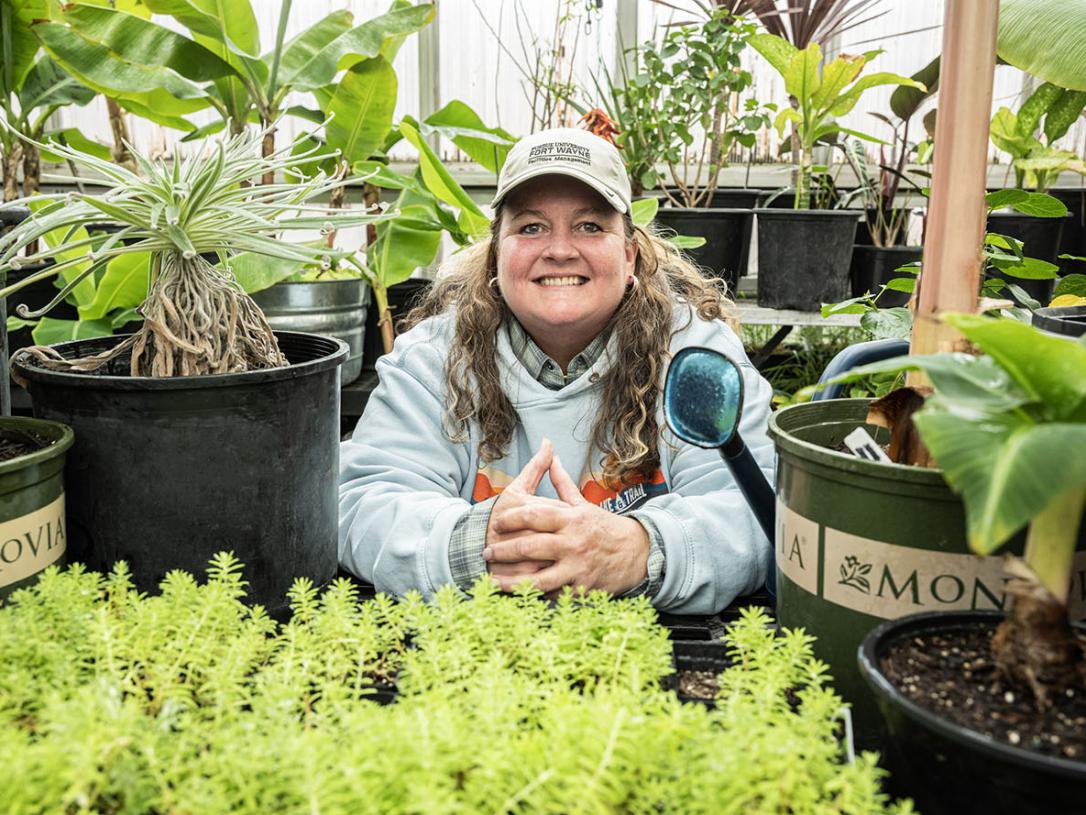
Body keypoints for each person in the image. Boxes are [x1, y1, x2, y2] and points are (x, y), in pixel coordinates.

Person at [338, 127, 775, 614]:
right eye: (531, 227)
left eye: (590, 226)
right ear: (496, 255)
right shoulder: (433, 360)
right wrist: (482, 545)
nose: (560, 249)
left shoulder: (694, 357)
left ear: (629, 253)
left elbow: (758, 507)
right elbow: (362, 500)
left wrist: (635, 550)